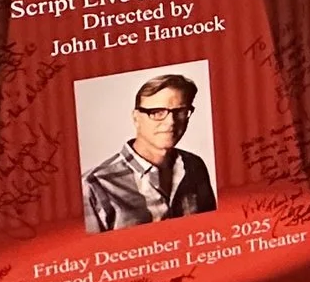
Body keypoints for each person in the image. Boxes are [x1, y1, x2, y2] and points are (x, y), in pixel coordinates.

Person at [83, 73, 220, 231]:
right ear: (136, 118)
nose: (171, 122)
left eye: (180, 111)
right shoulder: (94, 186)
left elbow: (211, 232)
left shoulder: (194, 166)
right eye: (157, 112)